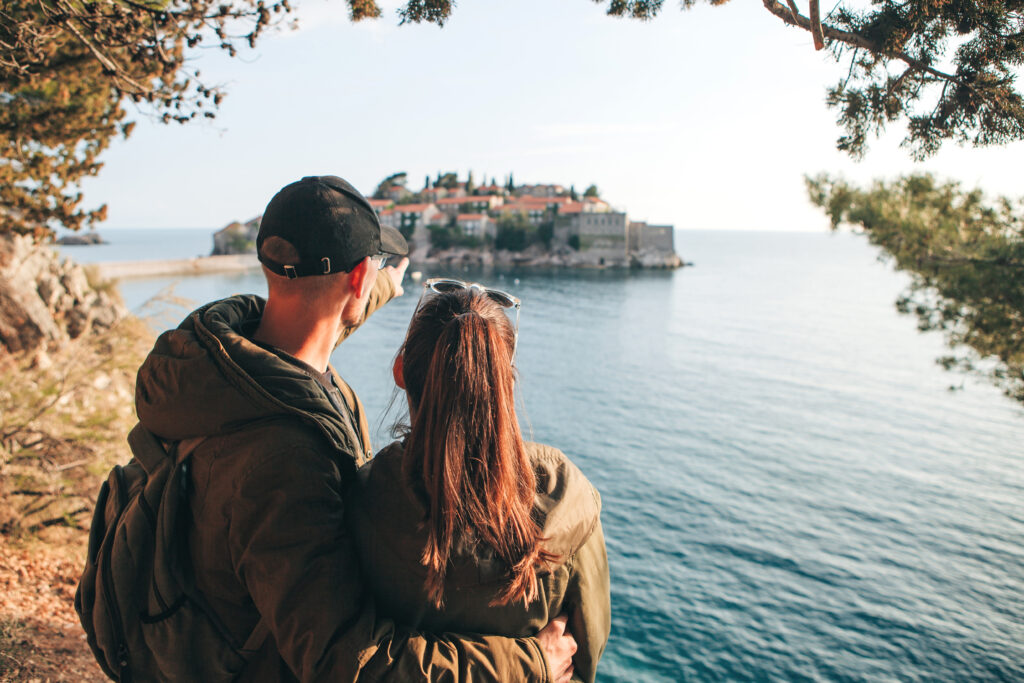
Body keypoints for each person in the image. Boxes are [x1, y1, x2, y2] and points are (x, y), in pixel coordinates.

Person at [132, 176, 577, 681]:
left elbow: (314, 326)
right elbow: (344, 661)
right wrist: (528, 664)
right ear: (358, 278)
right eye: (372, 271)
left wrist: (378, 285)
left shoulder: (224, 364)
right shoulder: (284, 464)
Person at [348, 279, 611, 683]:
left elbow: (351, 656)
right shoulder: (568, 497)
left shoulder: (364, 497)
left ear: (401, 371)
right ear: (505, 381)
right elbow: (586, 653)